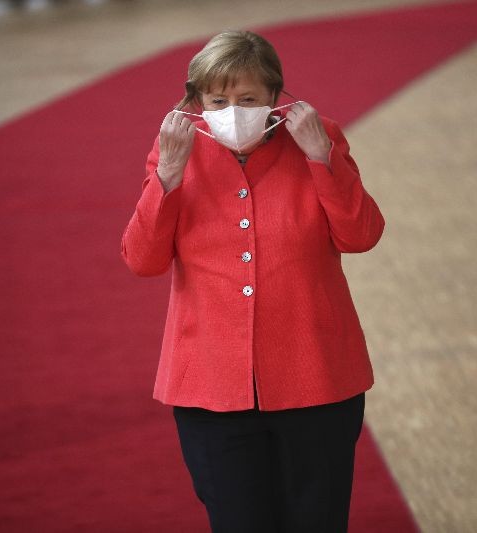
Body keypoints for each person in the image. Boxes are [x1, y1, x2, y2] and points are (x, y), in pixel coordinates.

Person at [120, 30, 385, 533]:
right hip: (211, 390)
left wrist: (321, 159)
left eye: (248, 99)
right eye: (218, 99)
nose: (232, 111)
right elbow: (142, 260)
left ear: (275, 98)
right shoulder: (173, 151)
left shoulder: (319, 137)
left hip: (318, 381)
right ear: (197, 99)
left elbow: (362, 235)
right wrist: (168, 178)